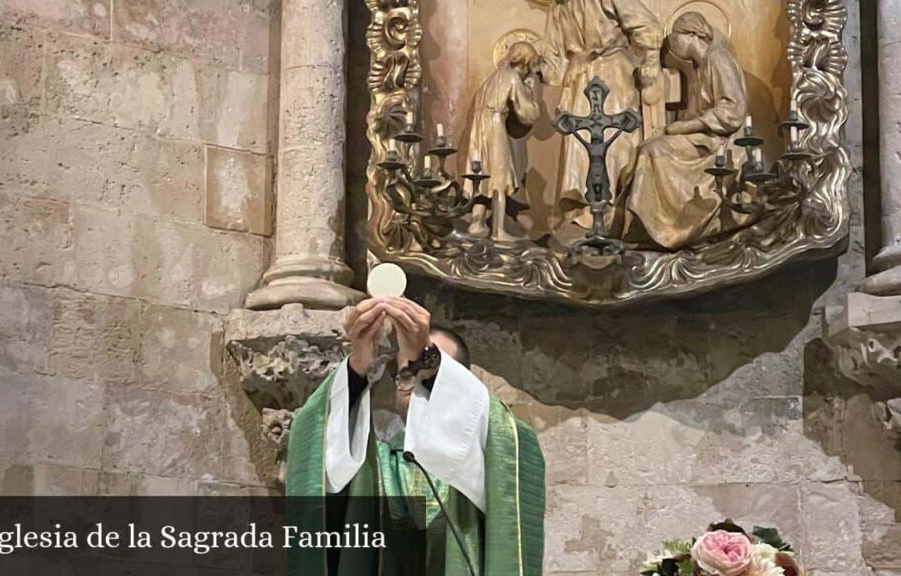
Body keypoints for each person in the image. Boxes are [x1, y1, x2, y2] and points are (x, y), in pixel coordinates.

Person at [284, 296, 546, 576]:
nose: (417, 388)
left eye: (432, 374)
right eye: (408, 374)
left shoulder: (481, 458)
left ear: (459, 386)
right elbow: (316, 452)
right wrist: (357, 367)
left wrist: (428, 360)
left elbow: (514, 449)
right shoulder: (376, 466)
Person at [625, 12, 749, 250]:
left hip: (720, 143)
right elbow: (695, 113)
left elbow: (733, 109)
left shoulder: (718, 59)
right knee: (649, 146)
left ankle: (662, 227)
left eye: (676, 37)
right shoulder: (700, 68)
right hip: (704, 137)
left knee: (653, 151)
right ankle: (653, 224)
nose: (673, 44)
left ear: (693, 34)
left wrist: (686, 127)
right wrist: (672, 129)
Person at [536, 0, 662, 234]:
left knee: (617, 143)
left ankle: (616, 214)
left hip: (614, 72)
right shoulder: (559, 7)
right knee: (579, 146)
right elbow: (552, 57)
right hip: (578, 79)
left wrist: (652, 62)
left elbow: (648, 26)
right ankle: (585, 214)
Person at [466, 42, 542, 242]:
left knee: (481, 175)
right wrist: (532, 94)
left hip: (478, 126)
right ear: (525, 62)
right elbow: (527, 113)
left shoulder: (492, 78)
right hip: (494, 125)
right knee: (500, 176)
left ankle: (477, 222)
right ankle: (498, 231)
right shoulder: (512, 77)